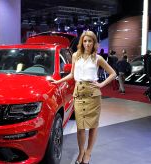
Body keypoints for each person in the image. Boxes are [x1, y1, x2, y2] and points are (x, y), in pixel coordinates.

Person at [49, 31, 116, 164]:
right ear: (82, 42)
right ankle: (81, 152)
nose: (87, 44)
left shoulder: (98, 58)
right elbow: (72, 75)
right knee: (80, 127)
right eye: (85, 41)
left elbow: (113, 73)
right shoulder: (75, 56)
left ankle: (88, 154)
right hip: (78, 94)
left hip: (93, 95)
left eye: (90, 41)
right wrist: (58, 82)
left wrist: (101, 84)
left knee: (93, 126)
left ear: (94, 43)